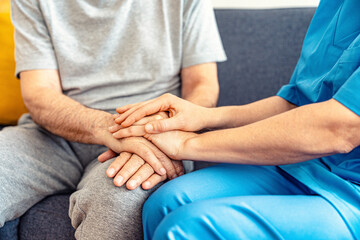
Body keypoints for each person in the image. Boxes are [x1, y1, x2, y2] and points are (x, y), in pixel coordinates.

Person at [108, 0, 360, 238]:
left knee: (187, 228)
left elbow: (338, 128)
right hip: (306, 165)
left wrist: (187, 144)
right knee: (164, 203)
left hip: (353, 192)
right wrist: (204, 116)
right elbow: (298, 102)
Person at [0, 0, 226, 239]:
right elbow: (40, 95)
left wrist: (162, 128)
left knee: (120, 200)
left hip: (152, 137)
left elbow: (203, 87)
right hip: (52, 136)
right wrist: (112, 128)